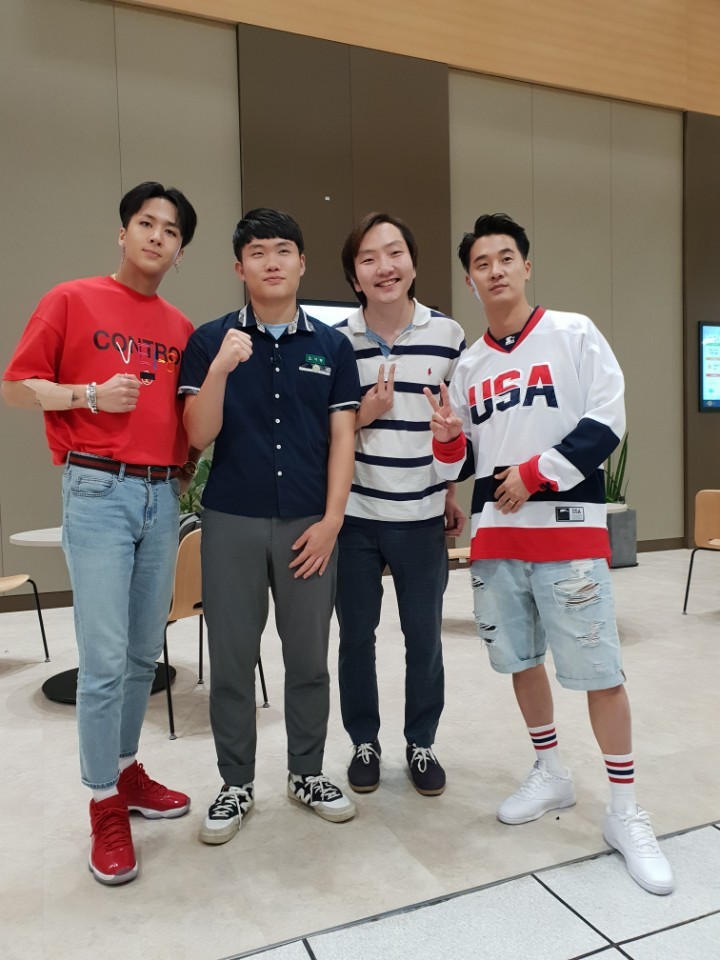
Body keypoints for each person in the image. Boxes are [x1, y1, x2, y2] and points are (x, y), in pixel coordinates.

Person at [425, 212, 674, 895]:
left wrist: (537, 472)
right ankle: (551, 771)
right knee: (521, 661)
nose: (495, 270)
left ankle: (625, 810)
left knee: (599, 672)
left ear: (526, 266)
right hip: (497, 542)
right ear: (471, 280)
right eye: (482, 263)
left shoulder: (573, 333)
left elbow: (607, 420)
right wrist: (446, 439)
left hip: (567, 535)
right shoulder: (469, 366)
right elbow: (462, 462)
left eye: (506, 257)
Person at [2, 181, 199, 886]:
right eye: (146, 223)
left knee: (144, 653)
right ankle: (103, 803)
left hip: (161, 494)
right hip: (97, 488)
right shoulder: (71, 299)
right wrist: (87, 394)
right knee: (106, 660)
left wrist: (184, 469)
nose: (156, 236)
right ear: (123, 233)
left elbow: (185, 415)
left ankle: (125, 769)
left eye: (170, 231)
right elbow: (15, 385)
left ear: (179, 252)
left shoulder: (181, 327)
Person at [179, 208, 361, 844]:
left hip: (309, 523)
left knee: (308, 658)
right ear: (240, 267)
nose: (272, 261)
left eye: (283, 250)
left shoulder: (332, 347)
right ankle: (236, 783)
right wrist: (221, 368)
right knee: (232, 659)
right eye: (257, 252)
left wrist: (333, 520)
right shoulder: (210, 340)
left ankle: (306, 773)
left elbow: (344, 438)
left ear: (302, 263)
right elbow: (197, 435)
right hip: (230, 520)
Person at [334, 213, 467, 796]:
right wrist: (364, 413)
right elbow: (323, 434)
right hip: (355, 518)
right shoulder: (337, 342)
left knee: (424, 637)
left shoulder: (449, 336)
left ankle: (421, 742)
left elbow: (457, 428)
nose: (383, 267)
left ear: (413, 263)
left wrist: (451, 494)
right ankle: (364, 741)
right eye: (368, 258)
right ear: (354, 276)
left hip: (421, 517)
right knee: (355, 638)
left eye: (394, 253)